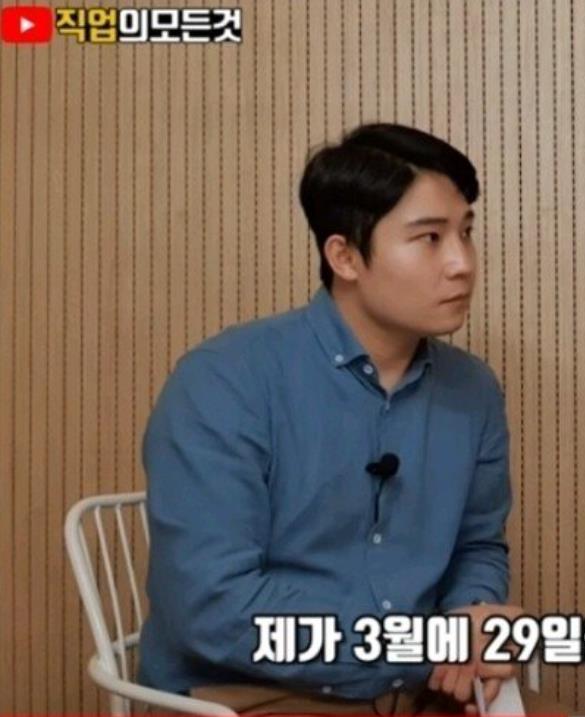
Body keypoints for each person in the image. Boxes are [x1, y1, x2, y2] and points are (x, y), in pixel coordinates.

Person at [139, 124, 542, 714]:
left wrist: (472, 617)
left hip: (415, 690)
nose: (462, 263)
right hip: (239, 696)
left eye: (466, 232)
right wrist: (423, 646)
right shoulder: (225, 381)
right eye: (430, 238)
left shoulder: (473, 390)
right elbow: (214, 606)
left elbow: (478, 546)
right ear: (345, 256)